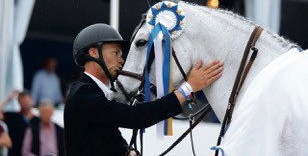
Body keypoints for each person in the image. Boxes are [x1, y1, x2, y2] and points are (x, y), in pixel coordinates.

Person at [64, 23, 224, 156]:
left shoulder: (95, 94)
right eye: (116, 53)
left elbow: (110, 138)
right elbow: (137, 117)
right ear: (94, 52)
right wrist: (188, 87)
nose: (122, 60)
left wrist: (127, 152)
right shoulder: (83, 94)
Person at [0, 90, 38, 156]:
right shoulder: (12, 117)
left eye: (26, 100)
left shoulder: (38, 121)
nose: (24, 103)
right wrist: (9, 99)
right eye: (22, 101)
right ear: (18, 102)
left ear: (31, 100)